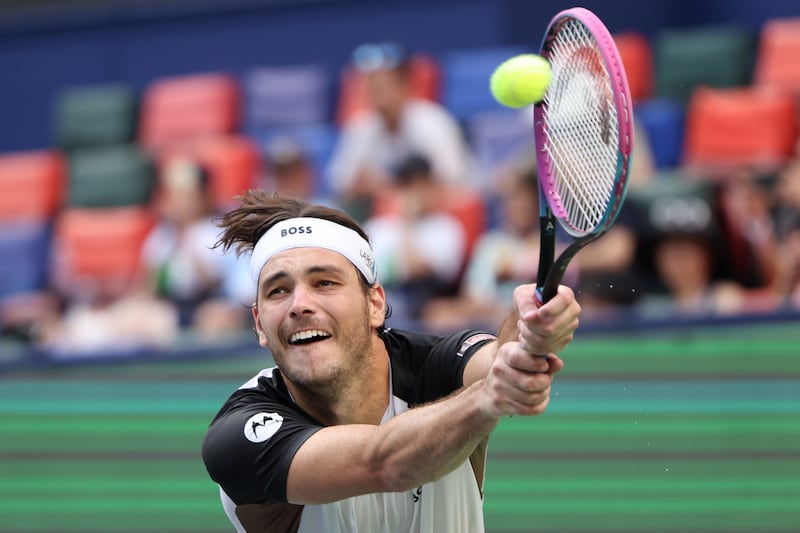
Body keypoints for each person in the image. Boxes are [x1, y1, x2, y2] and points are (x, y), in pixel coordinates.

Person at [201, 191, 581, 533]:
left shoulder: (436, 363)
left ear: (375, 304)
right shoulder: (240, 435)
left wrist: (530, 329)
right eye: (278, 291)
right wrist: (488, 396)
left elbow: (500, 355)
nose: (299, 304)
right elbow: (383, 463)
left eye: (325, 283)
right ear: (259, 324)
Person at [327, 42, 476, 219]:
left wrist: (392, 187)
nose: (378, 92)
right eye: (372, 85)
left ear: (404, 86)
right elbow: (340, 182)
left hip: (439, 215)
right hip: (383, 217)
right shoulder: (361, 126)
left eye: (385, 85)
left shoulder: (433, 121)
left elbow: (453, 177)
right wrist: (365, 185)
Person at [365, 153, 467, 321]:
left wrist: (408, 222)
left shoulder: (446, 227)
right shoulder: (377, 228)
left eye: (420, 185)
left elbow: (415, 269)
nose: (414, 193)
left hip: (423, 310)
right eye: (407, 186)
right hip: (383, 305)